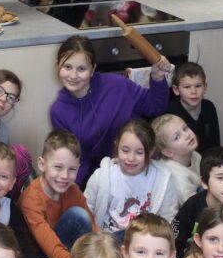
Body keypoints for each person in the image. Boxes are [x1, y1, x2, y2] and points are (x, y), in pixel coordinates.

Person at [50, 35, 170, 183]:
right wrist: (73, 188)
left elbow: (155, 106)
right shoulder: (58, 111)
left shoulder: (118, 85)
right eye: (67, 67)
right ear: (58, 66)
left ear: (92, 69)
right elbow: (76, 158)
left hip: (140, 169)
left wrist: (157, 78)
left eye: (81, 69)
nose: (73, 75)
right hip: (101, 180)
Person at [18, 130, 97, 258]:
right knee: (78, 216)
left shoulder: (73, 190)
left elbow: (93, 229)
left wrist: (105, 255)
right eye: (58, 167)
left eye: (72, 169)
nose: (65, 176)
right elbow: (51, 246)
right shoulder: (31, 198)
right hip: (41, 253)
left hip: (68, 248)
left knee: (122, 237)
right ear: (42, 164)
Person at [85, 119, 180, 238]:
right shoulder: (102, 176)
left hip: (144, 240)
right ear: (117, 146)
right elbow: (87, 210)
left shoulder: (163, 179)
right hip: (106, 239)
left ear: (151, 151)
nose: (131, 158)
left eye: (139, 152)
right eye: (125, 150)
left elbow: (168, 220)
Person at [166, 61, 220, 152]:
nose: (194, 91)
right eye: (187, 87)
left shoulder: (209, 107)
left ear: (205, 87)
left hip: (208, 159)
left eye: (198, 86)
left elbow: (215, 142)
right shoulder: (171, 112)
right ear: (176, 90)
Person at [152, 114, 202, 201]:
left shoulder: (194, 154)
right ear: (168, 152)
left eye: (185, 128)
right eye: (177, 137)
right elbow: (193, 206)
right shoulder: (177, 177)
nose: (187, 135)